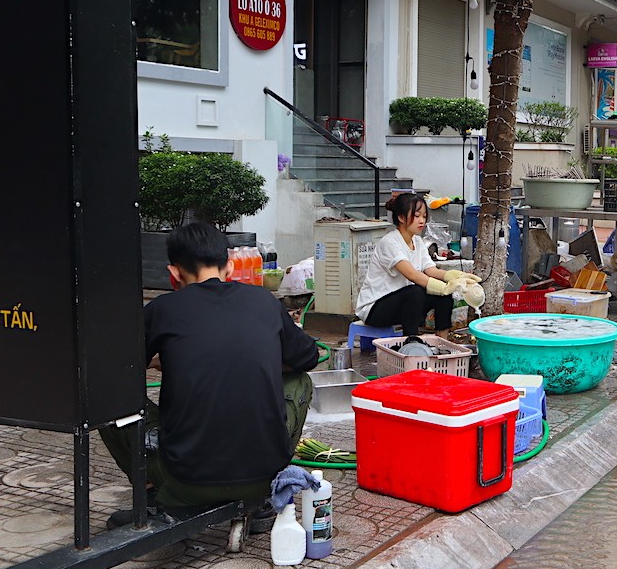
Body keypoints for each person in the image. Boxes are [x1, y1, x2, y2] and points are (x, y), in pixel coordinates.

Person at [100, 223, 320, 526]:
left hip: (186, 482)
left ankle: (154, 493)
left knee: (107, 397)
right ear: (230, 266)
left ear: (174, 273)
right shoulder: (264, 302)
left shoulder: (163, 309)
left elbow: (118, 371)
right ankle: (261, 502)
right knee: (300, 383)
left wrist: (164, 360)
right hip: (261, 477)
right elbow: (307, 358)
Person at [355, 192, 480, 338]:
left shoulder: (418, 242)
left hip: (404, 305)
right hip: (375, 310)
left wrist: (458, 277)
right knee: (416, 291)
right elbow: (412, 275)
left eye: (424, 216)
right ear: (401, 218)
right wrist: (444, 287)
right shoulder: (389, 242)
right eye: (416, 216)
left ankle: (441, 343)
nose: (422, 221)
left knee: (444, 297)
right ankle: (412, 343)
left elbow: (431, 270)